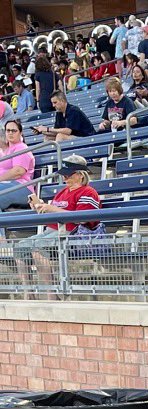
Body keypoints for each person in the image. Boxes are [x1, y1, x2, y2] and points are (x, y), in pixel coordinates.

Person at [14, 155, 103, 298]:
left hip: (73, 233)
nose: (65, 178)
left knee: (38, 248)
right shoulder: (63, 192)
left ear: (80, 175)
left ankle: (52, 293)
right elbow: (52, 213)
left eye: (68, 175)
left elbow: (83, 218)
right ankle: (28, 292)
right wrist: (38, 206)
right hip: (53, 230)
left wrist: (51, 209)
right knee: (20, 247)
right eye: (64, 175)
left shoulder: (88, 192)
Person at [0, 119, 36, 211]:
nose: (10, 133)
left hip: (22, 187)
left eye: (14, 131)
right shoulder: (7, 150)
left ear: (20, 132)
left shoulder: (21, 148)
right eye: (8, 130)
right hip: (7, 185)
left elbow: (18, 172)